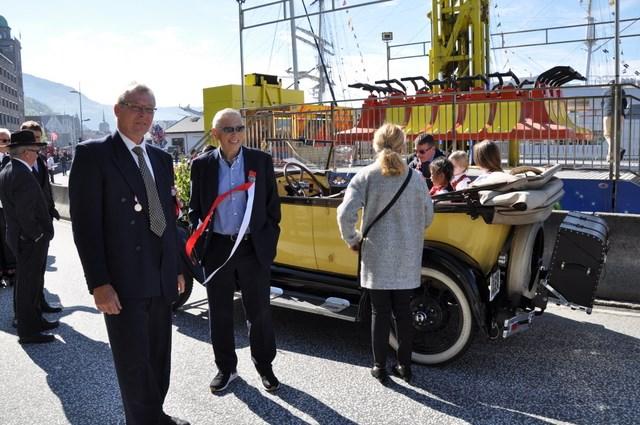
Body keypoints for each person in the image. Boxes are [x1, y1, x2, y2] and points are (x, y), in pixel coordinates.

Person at [69, 84, 189, 425]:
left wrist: (177, 268)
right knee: (133, 362)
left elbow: (165, 220)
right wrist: (99, 283)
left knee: (158, 357)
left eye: (149, 109)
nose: (142, 115)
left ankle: (156, 415)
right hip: (122, 280)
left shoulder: (161, 158)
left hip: (160, 275)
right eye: (135, 107)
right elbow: (86, 227)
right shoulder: (94, 155)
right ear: (117, 109)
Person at [189, 108, 281, 393]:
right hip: (217, 247)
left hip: (252, 248)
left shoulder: (260, 161)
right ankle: (226, 368)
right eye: (229, 129)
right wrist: (200, 239)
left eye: (239, 128)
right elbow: (195, 208)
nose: (236, 134)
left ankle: (265, 366)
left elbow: (272, 210)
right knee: (219, 312)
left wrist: (267, 241)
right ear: (216, 134)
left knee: (259, 311)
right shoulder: (202, 165)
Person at [337, 123, 433, 384]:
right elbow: (428, 216)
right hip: (407, 255)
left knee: (379, 313)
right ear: (403, 146)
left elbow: (345, 214)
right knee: (403, 312)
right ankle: (405, 366)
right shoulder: (416, 178)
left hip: (376, 255)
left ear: (375, 145)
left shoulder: (365, 176)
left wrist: (353, 239)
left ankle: (379, 366)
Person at [0, 130, 56, 344]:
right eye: (35, 150)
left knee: (30, 284)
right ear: (24, 152)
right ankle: (29, 330)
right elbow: (25, 213)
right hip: (28, 239)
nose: (38, 154)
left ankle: (35, 321)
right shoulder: (21, 174)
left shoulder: (10, 169)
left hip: (20, 238)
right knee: (28, 285)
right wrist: (38, 235)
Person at [20, 121, 62, 314]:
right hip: (28, 228)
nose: (35, 142)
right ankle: (24, 314)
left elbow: (46, 189)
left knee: (40, 267)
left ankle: (40, 301)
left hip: (43, 223)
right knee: (26, 273)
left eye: (38, 138)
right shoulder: (16, 164)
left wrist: (52, 209)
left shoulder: (41, 160)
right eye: (32, 138)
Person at [0, 128, 16, 289]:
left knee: (7, 239)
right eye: (2, 140)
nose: (5, 144)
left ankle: (12, 273)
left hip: (7, 207)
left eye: (7, 141)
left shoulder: (12, 160)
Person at [601, 81, 628, 163]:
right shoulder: (621, 90)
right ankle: (610, 157)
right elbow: (625, 103)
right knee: (616, 136)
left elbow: (602, 104)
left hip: (608, 114)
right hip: (620, 114)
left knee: (607, 135)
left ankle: (616, 151)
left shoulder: (605, 92)